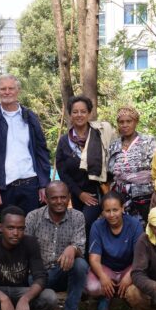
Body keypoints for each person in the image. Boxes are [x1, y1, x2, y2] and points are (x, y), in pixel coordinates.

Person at [0, 74, 51, 222]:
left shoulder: (30, 117)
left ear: (18, 91)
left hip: (31, 184)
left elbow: (41, 151)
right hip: (4, 188)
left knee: (31, 230)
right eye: (3, 88)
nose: (7, 92)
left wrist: (44, 184)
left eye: (11, 88)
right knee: (6, 233)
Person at [24, 181, 89, 310]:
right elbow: (24, 249)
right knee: (35, 284)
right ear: (46, 198)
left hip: (63, 271)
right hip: (39, 275)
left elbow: (80, 246)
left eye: (63, 197)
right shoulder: (34, 217)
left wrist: (72, 249)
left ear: (69, 198)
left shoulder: (77, 216)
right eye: (54, 198)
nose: (59, 201)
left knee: (80, 264)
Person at [56, 95, 115, 231]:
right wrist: (79, 193)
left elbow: (111, 158)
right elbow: (62, 171)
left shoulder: (99, 134)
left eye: (83, 111)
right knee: (79, 226)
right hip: (77, 194)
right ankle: (83, 252)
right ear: (70, 114)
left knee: (86, 222)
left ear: (89, 113)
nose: (79, 115)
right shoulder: (65, 141)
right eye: (75, 112)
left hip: (98, 192)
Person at [85, 192, 141, 310]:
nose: (111, 215)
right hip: (107, 269)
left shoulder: (134, 225)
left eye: (115, 210)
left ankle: (125, 296)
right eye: (107, 211)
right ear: (103, 212)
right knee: (92, 287)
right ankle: (106, 296)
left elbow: (140, 257)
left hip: (128, 267)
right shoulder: (97, 226)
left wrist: (129, 276)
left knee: (141, 281)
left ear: (122, 208)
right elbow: (94, 259)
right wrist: (103, 277)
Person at [107, 106, 156, 225]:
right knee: (123, 228)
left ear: (136, 122)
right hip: (120, 196)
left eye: (128, 121)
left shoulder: (148, 141)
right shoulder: (114, 145)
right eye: (121, 122)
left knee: (144, 229)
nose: (125, 125)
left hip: (145, 195)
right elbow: (110, 171)